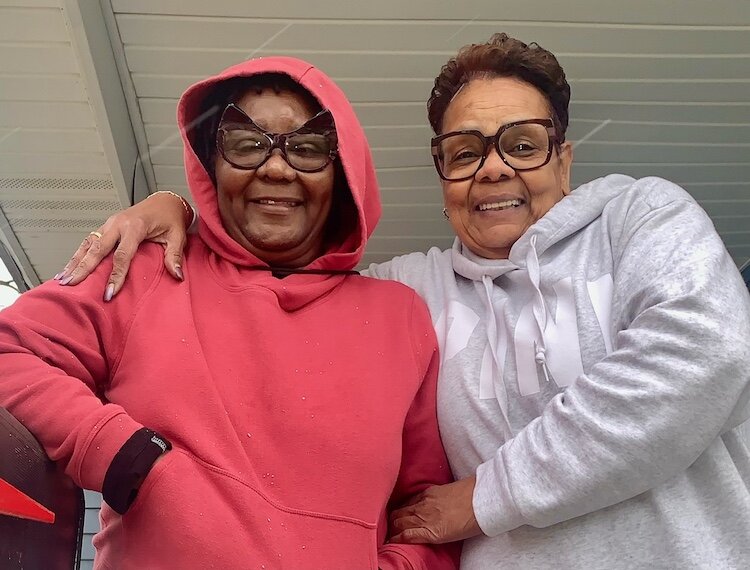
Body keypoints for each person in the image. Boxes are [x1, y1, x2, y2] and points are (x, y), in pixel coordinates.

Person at [57, 34, 750, 569]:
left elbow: (701, 359)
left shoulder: (641, 218)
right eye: (465, 150)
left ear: (564, 159)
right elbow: (279, 290)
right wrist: (181, 207)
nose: (495, 167)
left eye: (523, 144)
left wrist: (484, 498)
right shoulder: (407, 294)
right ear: (441, 170)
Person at [0, 56, 461, 570]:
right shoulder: (150, 268)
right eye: (247, 143)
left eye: (308, 149)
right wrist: (117, 451)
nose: (277, 166)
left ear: (344, 175)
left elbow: (426, 506)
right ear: (211, 165)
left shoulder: (401, 316)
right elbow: (9, 350)